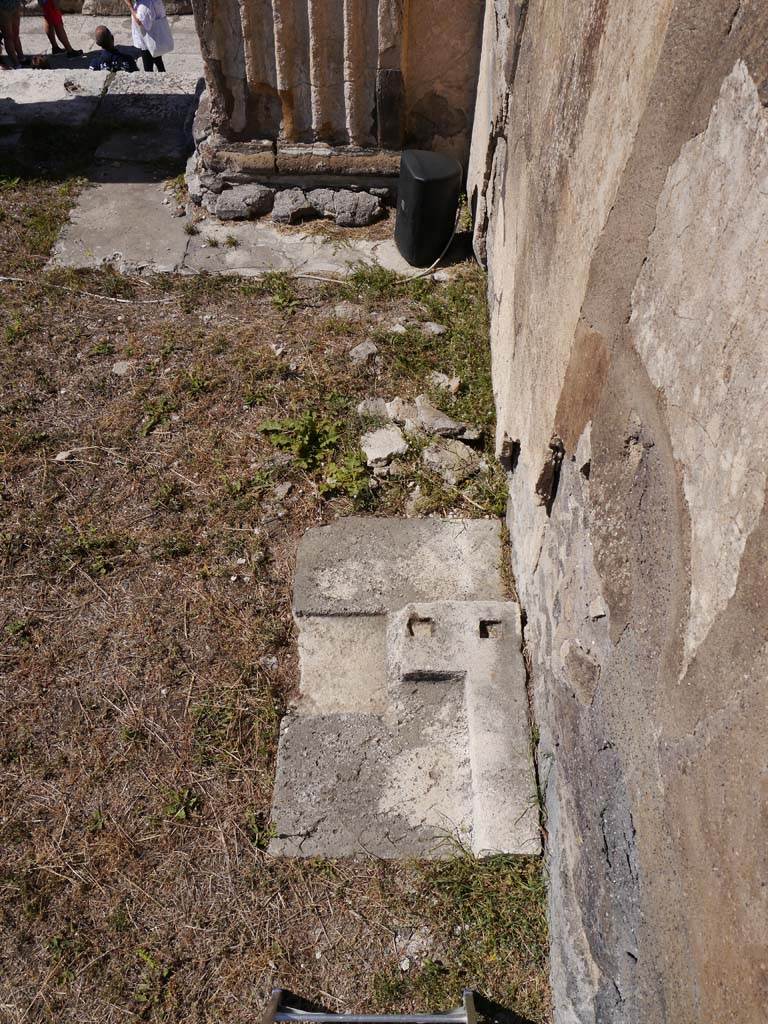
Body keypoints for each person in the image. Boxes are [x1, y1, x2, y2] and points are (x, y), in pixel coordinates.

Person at [124, 0, 173, 72]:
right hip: (155, 38)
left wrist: (130, 6)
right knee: (158, 60)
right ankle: (162, 74)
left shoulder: (144, 5)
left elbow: (140, 21)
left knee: (148, 68)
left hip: (147, 42)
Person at [0, 0, 23, 68]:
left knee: (15, 34)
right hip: (3, 7)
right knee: (8, 36)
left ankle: (21, 58)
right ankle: (16, 62)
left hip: (15, 4)